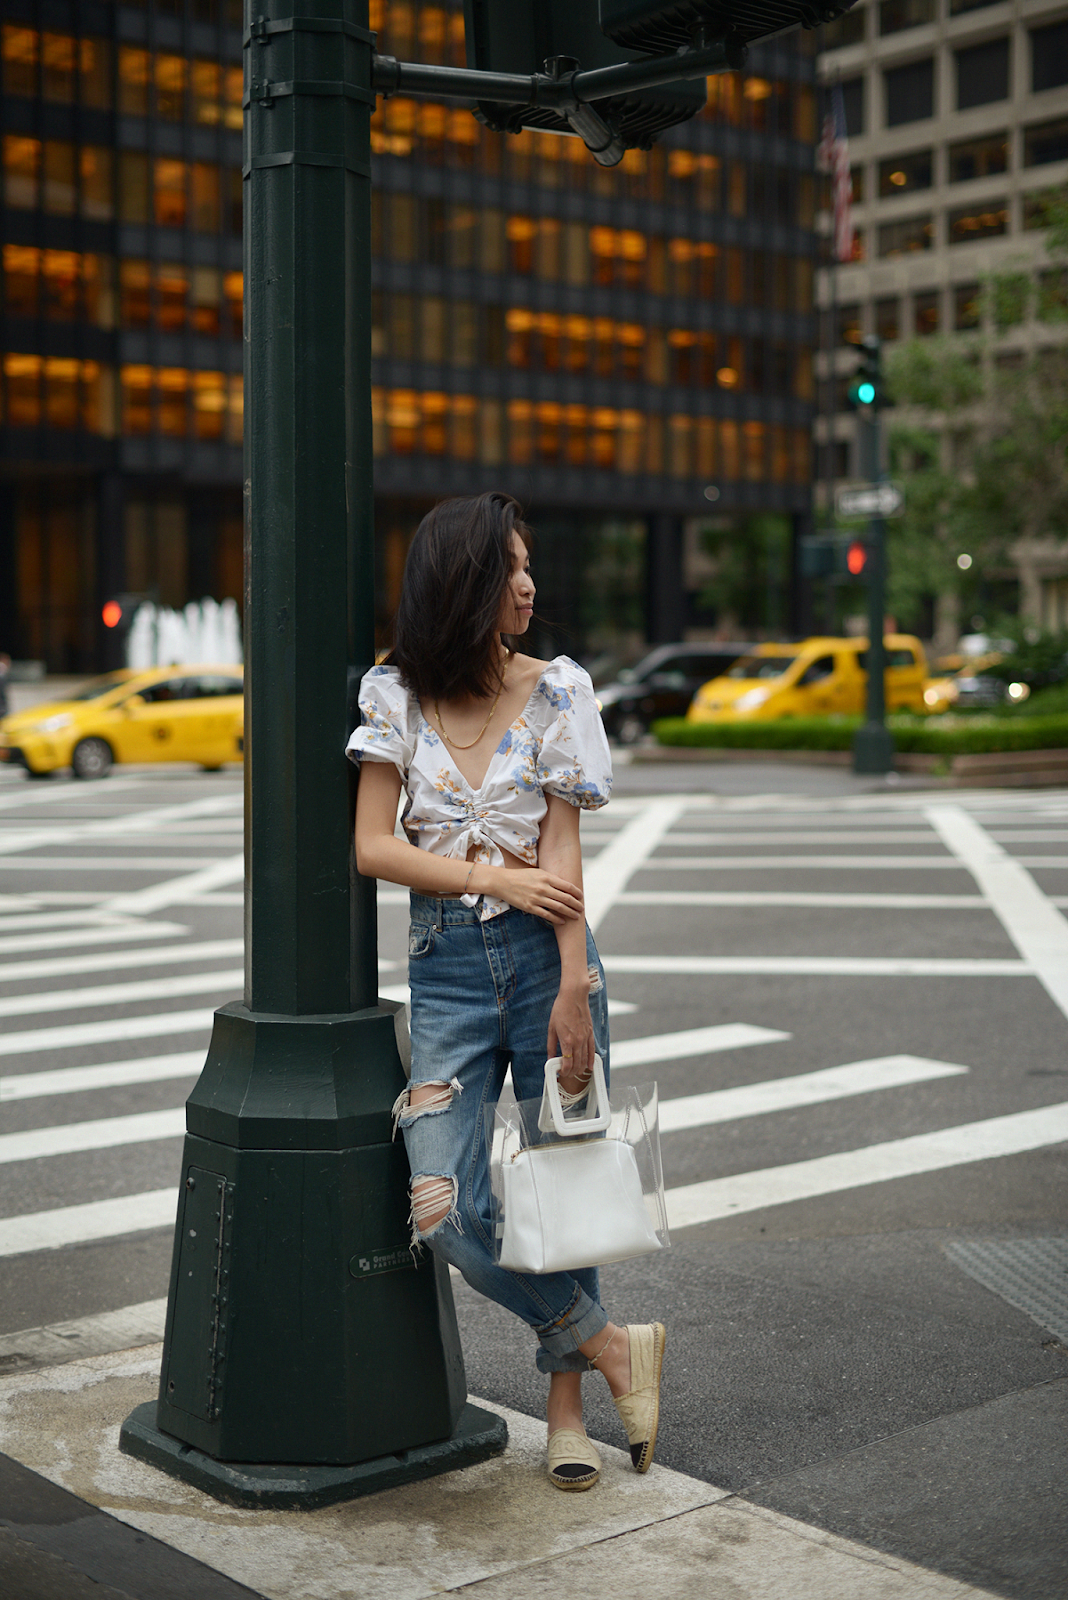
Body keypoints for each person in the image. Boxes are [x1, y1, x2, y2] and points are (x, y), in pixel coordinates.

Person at [349, 492, 665, 1492]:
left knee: (565, 1182)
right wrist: (493, 875)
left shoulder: (560, 690)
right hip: (445, 968)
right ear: (464, 581)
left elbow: (563, 855)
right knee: (442, 1205)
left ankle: (566, 1414)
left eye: (530, 565)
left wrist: (574, 982)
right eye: (510, 567)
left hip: (546, 961)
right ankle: (612, 1344)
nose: (529, 584)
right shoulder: (395, 694)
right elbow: (371, 846)